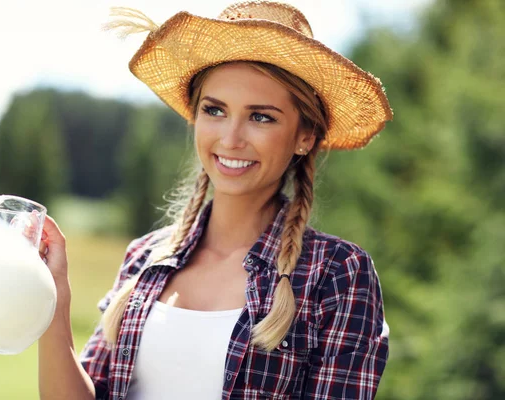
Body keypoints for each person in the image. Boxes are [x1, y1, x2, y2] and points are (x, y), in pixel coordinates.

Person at [37, 1, 392, 399]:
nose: (231, 138)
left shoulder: (337, 274)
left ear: (304, 136)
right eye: (215, 110)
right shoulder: (144, 258)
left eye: (261, 117)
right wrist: (54, 300)